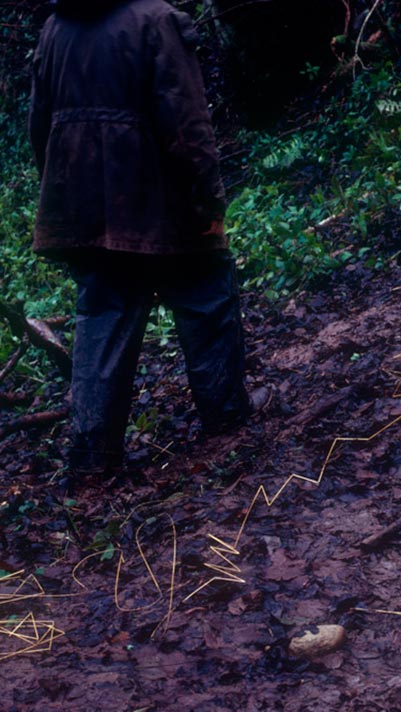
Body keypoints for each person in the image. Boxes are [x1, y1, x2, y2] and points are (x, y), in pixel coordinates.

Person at [29, 0, 259, 477]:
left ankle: (92, 458)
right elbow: (188, 123)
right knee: (206, 294)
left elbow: (40, 127)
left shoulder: (54, 29)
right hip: (159, 207)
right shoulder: (157, 21)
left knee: (103, 312)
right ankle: (229, 422)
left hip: (85, 207)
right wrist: (208, 201)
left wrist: (68, 199)